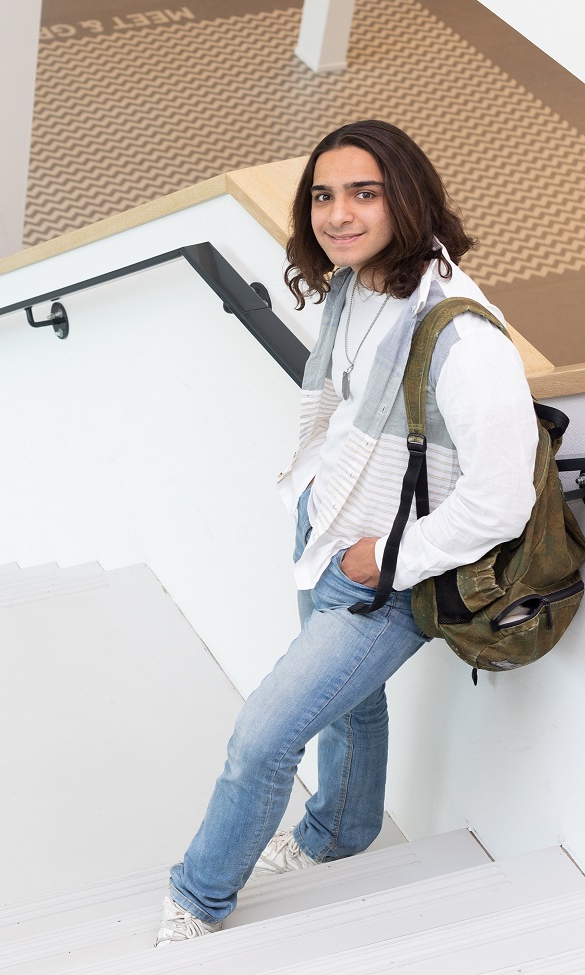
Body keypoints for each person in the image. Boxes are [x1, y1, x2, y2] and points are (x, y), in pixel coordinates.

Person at [156, 120, 539, 945]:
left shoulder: (463, 337)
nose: (338, 213)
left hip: (387, 573)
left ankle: (196, 901)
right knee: (348, 709)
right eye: (324, 195)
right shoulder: (355, 283)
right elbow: (347, 408)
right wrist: (310, 488)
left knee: (260, 737)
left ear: (406, 197)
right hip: (331, 529)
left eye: (363, 193)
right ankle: (338, 833)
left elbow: (503, 498)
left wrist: (385, 556)